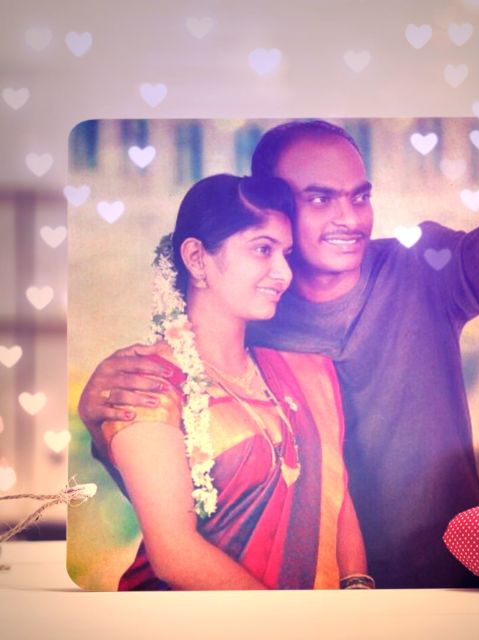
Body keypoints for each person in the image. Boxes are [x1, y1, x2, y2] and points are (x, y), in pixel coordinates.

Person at [79, 120, 479, 589]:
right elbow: (191, 506)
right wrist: (101, 422)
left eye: (360, 197)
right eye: (320, 199)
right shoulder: (248, 316)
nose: (350, 219)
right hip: (286, 598)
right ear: (275, 207)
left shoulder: (424, 270)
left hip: (440, 586)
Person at [90, 173, 368, 590]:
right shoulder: (146, 383)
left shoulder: (303, 373)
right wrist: (295, 622)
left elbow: (338, 498)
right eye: (263, 249)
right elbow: (174, 555)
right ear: (196, 258)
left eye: (286, 254)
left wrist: (359, 591)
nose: (284, 273)